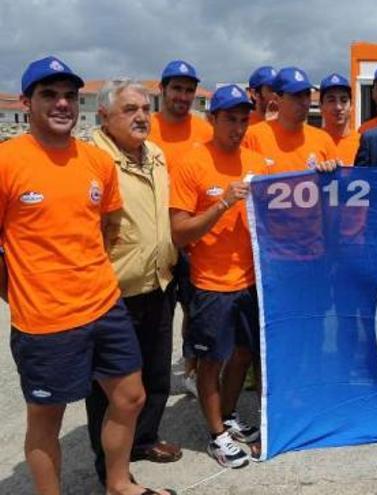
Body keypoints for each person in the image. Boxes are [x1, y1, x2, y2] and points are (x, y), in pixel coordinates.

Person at [0, 56, 175, 495]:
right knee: (47, 418)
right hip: (45, 320)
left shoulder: (97, 162)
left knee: (131, 397)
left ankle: (118, 484)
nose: (62, 103)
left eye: (69, 96)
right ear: (26, 102)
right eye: (49, 95)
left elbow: (107, 228)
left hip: (104, 305)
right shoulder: (7, 161)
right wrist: (20, 293)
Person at [169, 85, 271, 468]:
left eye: (244, 119)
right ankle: (216, 436)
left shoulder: (258, 162)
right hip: (211, 284)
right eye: (230, 119)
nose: (239, 127)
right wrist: (223, 202)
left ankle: (226, 417)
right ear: (212, 120)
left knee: (244, 356)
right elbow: (180, 232)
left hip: (251, 281)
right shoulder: (192, 163)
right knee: (211, 362)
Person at [86, 78, 181, 484]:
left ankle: (144, 439)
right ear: (104, 116)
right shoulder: (91, 158)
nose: (141, 116)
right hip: (115, 292)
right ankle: (106, 468)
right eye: (129, 109)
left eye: (145, 107)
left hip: (159, 282)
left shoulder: (156, 154)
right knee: (108, 389)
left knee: (155, 373)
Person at [148, 59, 213, 397]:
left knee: (194, 309)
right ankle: (151, 380)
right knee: (157, 315)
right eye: (177, 88)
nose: (183, 96)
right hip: (154, 237)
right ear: (163, 90)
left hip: (191, 237)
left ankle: (191, 370)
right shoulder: (146, 126)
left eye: (189, 90)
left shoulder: (205, 130)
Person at [243, 66, 339, 173]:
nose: (304, 102)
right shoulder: (252, 137)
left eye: (307, 94)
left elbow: (338, 184)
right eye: (296, 95)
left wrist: (330, 172)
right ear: (277, 99)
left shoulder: (323, 140)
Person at [320, 73, 360, 165]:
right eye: (331, 100)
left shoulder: (363, 143)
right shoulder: (312, 142)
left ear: (351, 107)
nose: (338, 107)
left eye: (344, 100)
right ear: (321, 106)